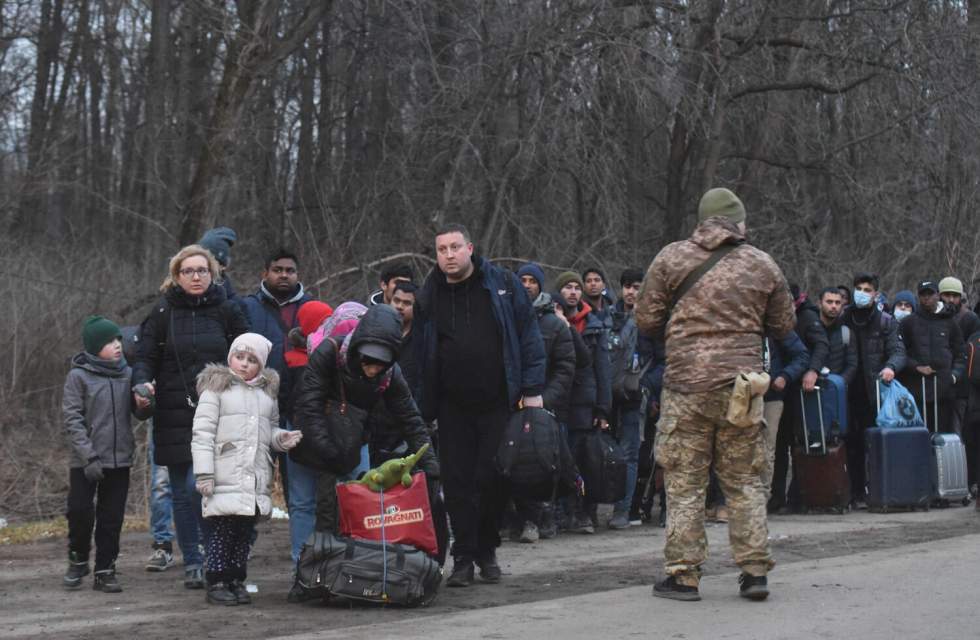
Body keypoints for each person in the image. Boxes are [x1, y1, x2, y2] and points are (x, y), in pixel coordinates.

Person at [635, 187, 796, 602]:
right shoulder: (763, 264)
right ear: (739, 222)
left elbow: (646, 320)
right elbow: (783, 326)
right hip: (741, 388)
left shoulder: (671, 257)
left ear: (702, 220)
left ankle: (684, 577)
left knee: (685, 483)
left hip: (686, 388)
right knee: (745, 481)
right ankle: (755, 571)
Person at [414, 223, 545, 587]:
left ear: (470, 248)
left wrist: (532, 387)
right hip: (450, 405)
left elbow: (528, 334)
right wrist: (420, 404)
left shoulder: (502, 284)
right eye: (442, 250)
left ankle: (488, 549)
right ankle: (463, 558)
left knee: (493, 479)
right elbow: (419, 350)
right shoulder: (430, 293)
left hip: (498, 401)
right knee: (456, 483)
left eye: (456, 247)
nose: (449, 255)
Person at [132, 244, 250, 589]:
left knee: (204, 489)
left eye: (202, 270)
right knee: (183, 492)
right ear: (176, 276)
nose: (196, 276)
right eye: (188, 271)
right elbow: (144, 356)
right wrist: (142, 383)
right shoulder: (162, 312)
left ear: (212, 274)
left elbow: (249, 353)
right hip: (174, 411)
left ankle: (216, 555)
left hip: (221, 412)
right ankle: (194, 561)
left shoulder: (229, 309)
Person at [293, 305, 440, 551]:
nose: (373, 368)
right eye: (368, 361)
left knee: (354, 504)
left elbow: (410, 417)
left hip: (353, 437)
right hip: (313, 433)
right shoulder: (329, 352)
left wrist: (430, 463)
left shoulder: (391, 375)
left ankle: (350, 565)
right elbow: (309, 405)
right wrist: (328, 451)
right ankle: (306, 568)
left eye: (380, 363)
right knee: (309, 505)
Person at [192, 333, 302, 605]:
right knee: (223, 531)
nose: (243, 364)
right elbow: (202, 434)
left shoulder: (267, 396)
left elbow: (270, 429)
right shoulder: (216, 390)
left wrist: (281, 438)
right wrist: (204, 473)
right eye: (239, 357)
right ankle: (216, 580)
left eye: (251, 360)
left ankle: (235, 579)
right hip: (224, 474)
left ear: (261, 365)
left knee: (244, 533)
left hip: (253, 477)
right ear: (230, 357)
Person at [62, 316, 152, 592]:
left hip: (119, 459)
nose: (116, 345)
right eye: (109, 341)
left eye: (117, 340)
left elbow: (140, 414)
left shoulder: (128, 373)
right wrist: (88, 456)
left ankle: (105, 569)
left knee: (111, 519)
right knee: (79, 512)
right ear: (94, 346)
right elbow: (71, 419)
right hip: (85, 460)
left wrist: (145, 404)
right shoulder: (78, 376)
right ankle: (78, 559)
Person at [771, 287, 856, 512]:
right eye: (829, 301)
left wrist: (813, 370)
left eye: (838, 302)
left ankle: (797, 496)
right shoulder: (781, 318)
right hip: (789, 386)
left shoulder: (806, 318)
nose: (834, 306)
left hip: (804, 389)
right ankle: (781, 497)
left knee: (802, 444)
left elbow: (821, 346)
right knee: (783, 446)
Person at [511, 263, 576, 541]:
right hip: (513, 407)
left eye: (532, 281)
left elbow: (566, 366)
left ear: (540, 285)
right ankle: (525, 519)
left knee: (549, 463)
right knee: (517, 463)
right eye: (522, 280)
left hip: (548, 408)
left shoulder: (554, 325)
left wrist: (545, 399)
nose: (526, 285)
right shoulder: (508, 318)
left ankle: (547, 514)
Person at [840, 273, 906, 506]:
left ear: (876, 294)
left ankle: (877, 490)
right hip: (847, 391)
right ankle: (854, 491)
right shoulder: (844, 318)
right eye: (858, 288)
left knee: (875, 444)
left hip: (875, 392)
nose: (862, 293)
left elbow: (898, 351)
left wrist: (890, 367)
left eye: (867, 289)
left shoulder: (885, 321)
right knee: (851, 444)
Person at [556, 270, 612, 534]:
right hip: (558, 400)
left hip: (584, 403)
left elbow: (602, 369)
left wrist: (603, 408)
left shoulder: (594, 325)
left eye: (576, 288)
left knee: (584, 459)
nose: (573, 292)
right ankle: (562, 511)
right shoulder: (548, 321)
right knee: (561, 458)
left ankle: (584, 512)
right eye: (567, 287)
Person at [607, 268, 655, 529]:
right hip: (608, 395)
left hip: (636, 398)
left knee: (629, 453)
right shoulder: (609, 316)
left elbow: (662, 360)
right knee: (603, 451)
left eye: (637, 287)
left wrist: (646, 385)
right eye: (627, 286)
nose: (631, 292)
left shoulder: (652, 321)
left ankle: (623, 510)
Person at [898, 280, 967, 433]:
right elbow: (899, 353)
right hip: (916, 393)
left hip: (944, 393)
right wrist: (916, 367)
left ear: (938, 296)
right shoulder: (908, 323)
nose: (927, 298)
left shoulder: (950, 322)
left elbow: (961, 353)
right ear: (918, 297)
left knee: (943, 438)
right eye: (923, 294)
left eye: (931, 294)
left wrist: (954, 376)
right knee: (918, 439)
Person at [762, 331, 810, 501]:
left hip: (771, 396)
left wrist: (785, 376)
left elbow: (802, 356)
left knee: (767, 448)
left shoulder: (776, 326)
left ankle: (761, 497)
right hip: (743, 395)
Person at [939, 277, 980, 437]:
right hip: (937, 384)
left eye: (954, 295)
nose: (950, 299)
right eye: (946, 294)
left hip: (962, 386)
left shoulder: (970, 319)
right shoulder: (933, 317)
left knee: (959, 431)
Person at [199, 227, 238, 300]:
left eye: (209, 261)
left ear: (223, 266)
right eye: (198, 259)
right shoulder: (179, 296)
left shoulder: (234, 304)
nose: (202, 265)